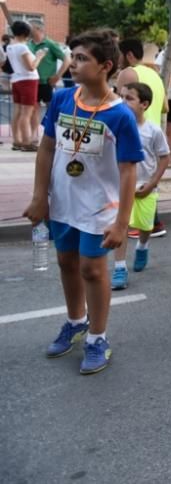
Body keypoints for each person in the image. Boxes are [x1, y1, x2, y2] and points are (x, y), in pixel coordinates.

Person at [22, 29, 143, 375]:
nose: (72, 64)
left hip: (99, 208)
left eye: (81, 58)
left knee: (92, 268)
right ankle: (76, 321)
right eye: (72, 57)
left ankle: (97, 338)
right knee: (66, 262)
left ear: (105, 66)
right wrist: (39, 196)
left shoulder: (120, 116)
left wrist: (122, 221)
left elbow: (128, 171)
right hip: (63, 203)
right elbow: (46, 149)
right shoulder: (62, 100)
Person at [111, 82, 170, 290]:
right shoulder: (114, 126)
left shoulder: (153, 130)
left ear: (144, 104)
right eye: (121, 97)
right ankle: (119, 268)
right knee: (122, 226)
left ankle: (143, 246)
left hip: (145, 188)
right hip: (120, 187)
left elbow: (164, 157)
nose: (123, 102)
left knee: (145, 227)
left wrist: (153, 182)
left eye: (129, 98)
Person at [118, 40, 168, 240]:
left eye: (118, 54)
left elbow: (115, 106)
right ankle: (152, 223)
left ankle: (142, 225)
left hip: (135, 133)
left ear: (128, 55)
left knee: (134, 177)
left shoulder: (128, 73)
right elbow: (165, 107)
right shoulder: (155, 74)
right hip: (151, 131)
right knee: (144, 180)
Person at [7, 20, 47, 151]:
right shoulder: (22, 47)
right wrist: (39, 56)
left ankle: (17, 140)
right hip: (28, 80)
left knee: (18, 112)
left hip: (16, 79)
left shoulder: (10, 46)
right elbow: (31, 67)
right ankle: (27, 141)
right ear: (26, 33)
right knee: (27, 113)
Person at [28, 21, 69, 146]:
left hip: (46, 82)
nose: (28, 30)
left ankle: (55, 135)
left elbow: (67, 59)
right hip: (33, 81)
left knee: (52, 109)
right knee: (34, 110)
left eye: (30, 27)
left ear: (38, 29)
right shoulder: (28, 44)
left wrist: (58, 76)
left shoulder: (50, 44)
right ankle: (34, 136)